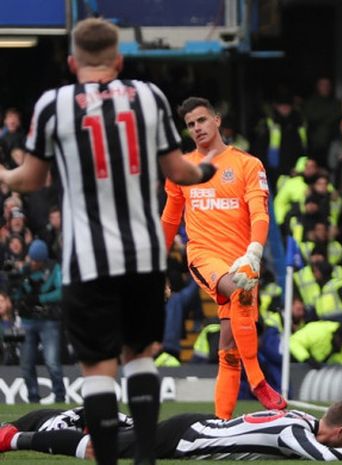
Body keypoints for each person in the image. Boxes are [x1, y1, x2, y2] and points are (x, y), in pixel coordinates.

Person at [0, 18, 217, 465]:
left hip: (87, 259)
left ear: (70, 62)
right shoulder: (149, 97)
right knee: (141, 357)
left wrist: (3, 173)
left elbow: (33, 179)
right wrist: (207, 171)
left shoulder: (53, 104)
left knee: (98, 367)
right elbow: (180, 172)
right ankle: (144, 458)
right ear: (118, 61)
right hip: (143, 253)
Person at [161, 96, 286, 420]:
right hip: (204, 254)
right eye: (190, 124)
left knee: (228, 350)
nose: (197, 128)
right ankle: (259, 382)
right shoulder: (181, 169)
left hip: (243, 259)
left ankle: (221, 424)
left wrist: (254, 253)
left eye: (201, 120)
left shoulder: (247, 164)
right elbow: (169, 221)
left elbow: (260, 213)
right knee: (239, 289)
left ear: (216, 119)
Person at [0, 402, 342, 462]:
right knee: (98, 451)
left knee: (113, 430)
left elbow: (329, 449)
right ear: (337, 430)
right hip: (183, 438)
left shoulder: (297, 417)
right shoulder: (292, 433)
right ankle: (12, 439)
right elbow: (325, 457)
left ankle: (86, 415)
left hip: (190, 426)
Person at [15, 239, 65, 403]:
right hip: (27, 320)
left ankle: (60, 397)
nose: (33, 263)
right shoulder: (25, 270)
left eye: (36, 260)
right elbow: (16, 294)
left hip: (48, 320)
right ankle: (32, 398)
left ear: (43, 260)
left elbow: (60, 293)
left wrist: (39, 298)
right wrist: (16, 286)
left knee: (52, 362)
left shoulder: (54, 268)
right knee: (26, 363)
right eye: (32, 259)